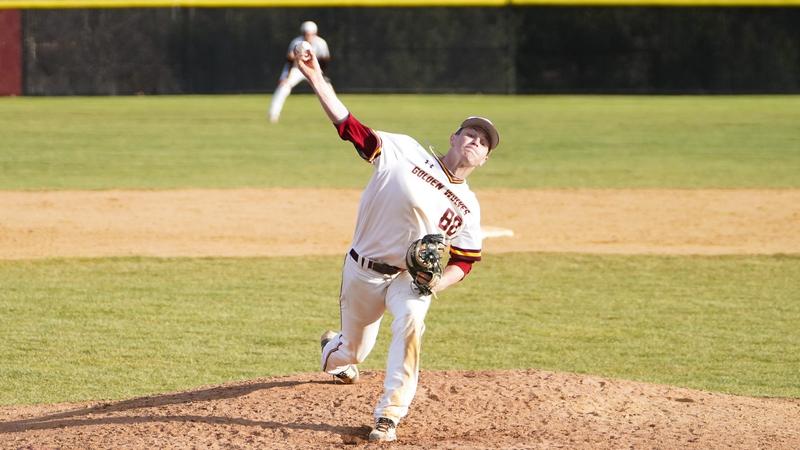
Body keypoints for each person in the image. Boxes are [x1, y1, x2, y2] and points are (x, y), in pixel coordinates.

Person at [294, 44, 500, 443]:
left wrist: (435, 283)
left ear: (484, 160)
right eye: (470, 133)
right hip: (363, 271)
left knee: (411, 322)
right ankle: (333, 348)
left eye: (484, 142)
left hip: (410, 279)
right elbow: (348, 126)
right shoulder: (403, 151)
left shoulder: (468, 207)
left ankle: (389, 414)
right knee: (351, 354)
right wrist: (316, 77)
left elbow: (467, 260)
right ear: (453, 138)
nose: (475, 141)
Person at [267, 21, 331, 123]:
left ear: (315, 33)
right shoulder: (296, 42)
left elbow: (325, 61)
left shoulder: (321, 43)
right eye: (306, 33)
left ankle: (334, 116)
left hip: (313, 69)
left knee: (327, 89)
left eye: (311, 34)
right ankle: (273, 115)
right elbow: (289, 62)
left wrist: (323, 75)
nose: (308, 36)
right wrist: (284, 77)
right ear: (303, 33)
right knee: (283, 87)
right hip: (298, 69)